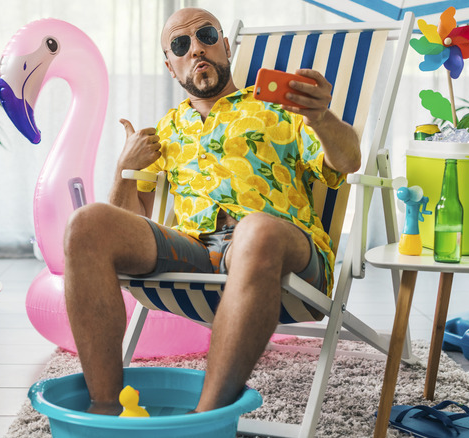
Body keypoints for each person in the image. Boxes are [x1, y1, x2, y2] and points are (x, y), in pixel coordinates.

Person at [63, 7, 361, 414]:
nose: (196, 49)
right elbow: (121, 227)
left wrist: (321, 117)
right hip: (195, 253)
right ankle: (105, 411)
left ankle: (204, 421)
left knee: (256, 231)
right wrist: (125, 169)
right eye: (181, 45)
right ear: (170, 65)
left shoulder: (279, 107)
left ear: (225, 44)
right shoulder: (165, 130)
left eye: (206, 35)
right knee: (86, 224)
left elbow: (347, 161)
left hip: (279, 249)